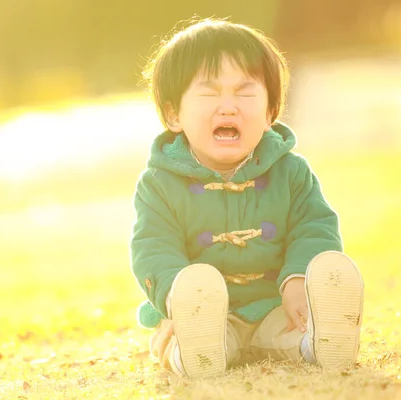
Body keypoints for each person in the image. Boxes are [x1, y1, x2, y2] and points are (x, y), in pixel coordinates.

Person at [130, 18, 364, 379]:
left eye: (245, 92)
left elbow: (314, 227)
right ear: (174, 113)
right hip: (207, 316)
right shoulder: (159, 184)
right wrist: (178, 300)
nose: (228, 107)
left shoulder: (292, 173)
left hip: (276, 306)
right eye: (209, 93)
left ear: (271, 112)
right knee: (191, 340)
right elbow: (154, 249)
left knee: (296, 330)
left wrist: (298, 280)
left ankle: (320, 342)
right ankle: (194, 352)